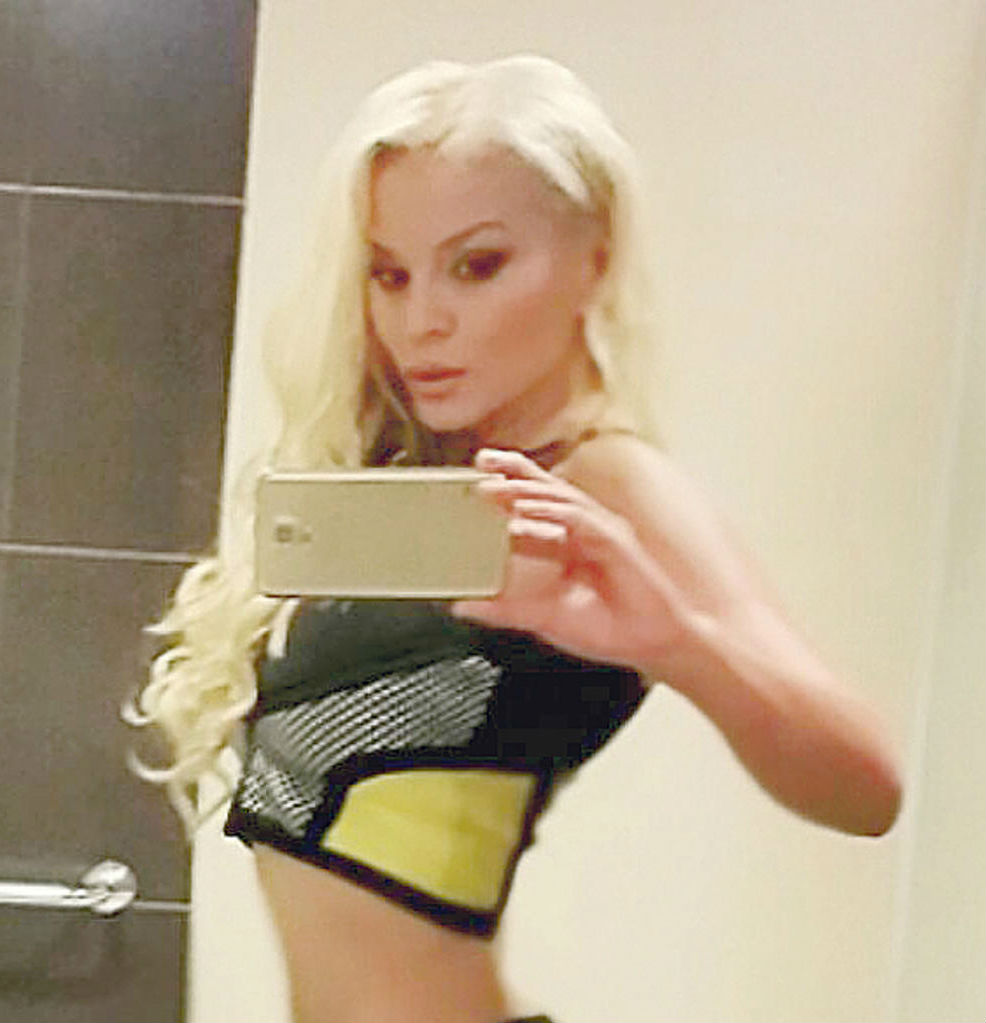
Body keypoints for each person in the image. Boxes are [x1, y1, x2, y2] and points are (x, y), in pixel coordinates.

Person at [132, 54, 902, 1023]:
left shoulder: (604, 484)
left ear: (594, 259)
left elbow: (867, 787)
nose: (421, 321)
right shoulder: (417, 476)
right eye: (389, 274)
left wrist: (678, 641)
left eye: (477, 265)